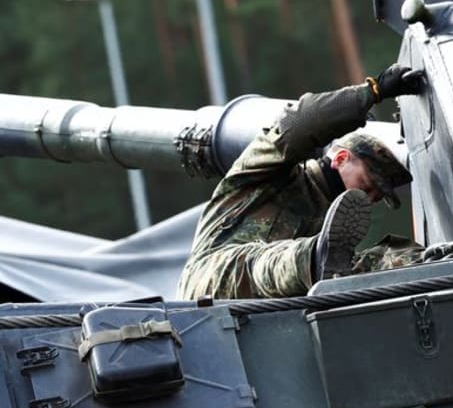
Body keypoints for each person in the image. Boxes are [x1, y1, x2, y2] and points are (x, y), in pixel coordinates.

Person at [177, 64, 426, 300]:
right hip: (209, 282)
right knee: (262, 264)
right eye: (368, 183)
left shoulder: (333, 226)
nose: (370, 197)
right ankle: (312, 260)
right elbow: (299, 123)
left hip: (266, 314)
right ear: (341, 158)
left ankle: (432, 261)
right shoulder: (268, 173)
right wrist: (373, 92)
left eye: (377, 196)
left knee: (374, 262)